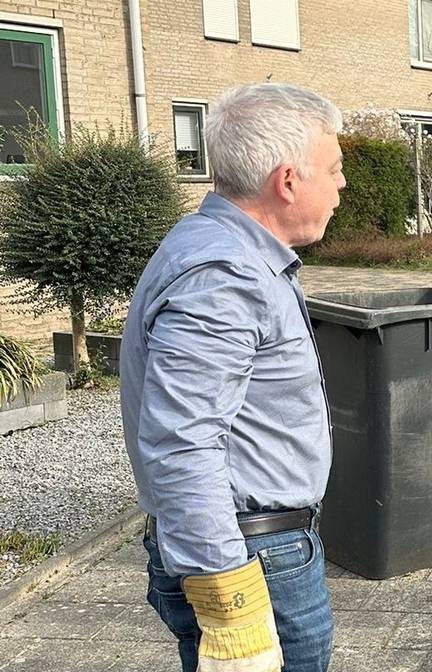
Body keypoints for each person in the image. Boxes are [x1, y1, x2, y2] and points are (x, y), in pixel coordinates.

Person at [120, 83, 346, 672]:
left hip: (258, 545)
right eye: (333, 168)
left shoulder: (227, 251)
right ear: (288, 180)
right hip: (252, 557)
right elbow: (181, 442)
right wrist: (232, 607)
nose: (341, 184)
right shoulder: (225, 274)